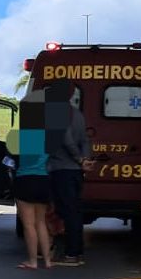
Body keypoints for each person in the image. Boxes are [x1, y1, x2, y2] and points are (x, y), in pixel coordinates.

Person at [46, 81, 94, 267]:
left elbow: (64, 138)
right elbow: (85, 140)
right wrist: (85, 160)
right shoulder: (78, 114)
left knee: (66, 212)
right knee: (73, 211)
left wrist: (80, 159)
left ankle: (71, 254)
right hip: (74, 172)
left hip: (61, 169)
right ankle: (75, 251)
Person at [11, 93, 53, 269]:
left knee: (28, 225)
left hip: (25, 180)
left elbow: (12, 157)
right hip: (43, 179)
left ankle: (33, 261)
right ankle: (49, 261)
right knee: (41, 222)